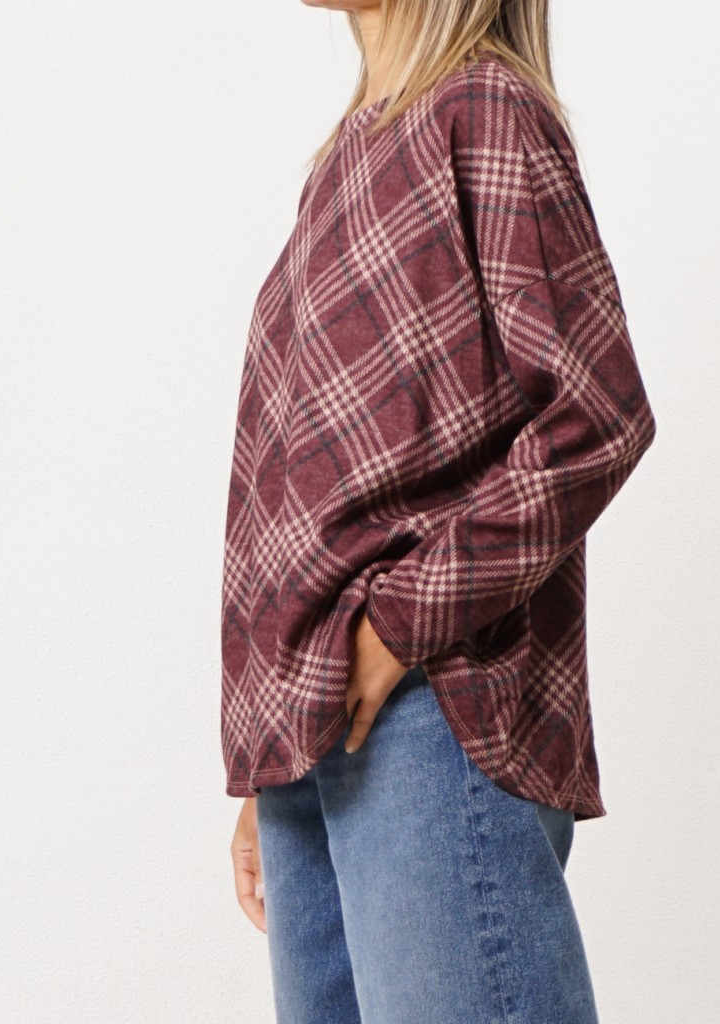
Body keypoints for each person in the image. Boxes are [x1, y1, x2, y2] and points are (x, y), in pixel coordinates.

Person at [225, 1, 657, 1020]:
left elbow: (597, 413)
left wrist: (396, 630)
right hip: (315, 732)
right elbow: (302, 480)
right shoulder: (343, 159)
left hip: (433, 701)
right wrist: (272, 756)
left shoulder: (484, 110)